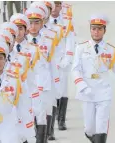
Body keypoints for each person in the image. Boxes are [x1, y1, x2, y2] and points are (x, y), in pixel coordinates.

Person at [72, 14, 115, 143]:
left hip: (103, 91)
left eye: (99, 29)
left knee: (102, 125)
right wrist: (82, 86)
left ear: (104, 30)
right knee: (89, 128)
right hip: (87, 92)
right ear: (90, 30)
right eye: (93, 29)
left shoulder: (111, 50)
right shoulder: (81, 48)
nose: (96, 32)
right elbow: (75, 69)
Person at [10, 13, 45, 143]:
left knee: (27, 129)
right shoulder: (4, 50)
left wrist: (37, 93)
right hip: (10, 95)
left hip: (27, 93)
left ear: (25, 30)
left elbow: (38, 72)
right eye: (15, 28)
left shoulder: (32, 49)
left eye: (21, 28)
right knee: (13, 130)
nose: (18, 32)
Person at [25, 6, 57, 143]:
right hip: (28, 84)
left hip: (43, 82)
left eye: (36, 22)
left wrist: (55, 83)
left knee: (42, 115)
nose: (33, 26)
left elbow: (52, 62)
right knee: (28, 116)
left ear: (42, 22)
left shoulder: (48, 39)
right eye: (30, 23)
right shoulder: (22, 42)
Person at [50, 1, 76, 131]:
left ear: (61, 7)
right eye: (53, 5)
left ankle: (61, 120)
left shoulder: (66, 23)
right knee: (52, 91)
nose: (55, 8)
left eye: (58, 4)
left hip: (62, 60)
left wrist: (68, 58)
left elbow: (70, 41)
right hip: (48, 62)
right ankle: (51, 123)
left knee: (63, 89)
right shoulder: (42, 22)